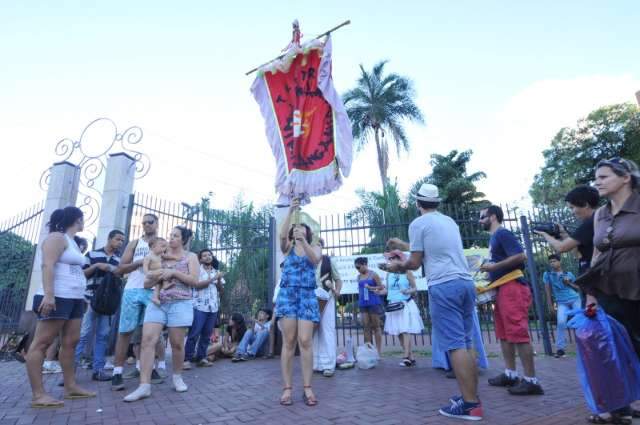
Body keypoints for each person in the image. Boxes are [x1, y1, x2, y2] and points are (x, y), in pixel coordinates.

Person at [384, 183, 482, 421]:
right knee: (467, 342)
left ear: (418, 203)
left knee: (456, 345)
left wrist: (397, 266)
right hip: (465, 283)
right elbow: (432, 251)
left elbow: (415, 262)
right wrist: (404, 252)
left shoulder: (418, 223)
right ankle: (470, 397)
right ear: (437, 202)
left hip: (444, 285)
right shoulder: (449, 222)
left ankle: (471, 406)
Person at [578, 157, 640, 424]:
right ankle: (619, 405)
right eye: (596, 177)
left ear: (625, 178)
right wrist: (591, 293)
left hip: (637, 287)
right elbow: (595, 255)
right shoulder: (600, 215)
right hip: (608, 289)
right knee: (611, 347)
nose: (597, 182)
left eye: (604, 177)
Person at [25, 207, 96, 408]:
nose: (84, 222)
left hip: (74, 298)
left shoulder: (72, 242)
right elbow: (47, 265)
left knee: (71, 342)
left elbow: (73, 269)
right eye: (82, 219)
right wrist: (49, 295)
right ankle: (38, 395)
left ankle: (70, 387)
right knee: (42, 343)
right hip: (57, 296)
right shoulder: (57, 237)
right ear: (78, 220)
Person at [124, 226, 201, 402]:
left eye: (175, 236)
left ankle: (177, 377)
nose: (171, 238)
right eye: (170, 235)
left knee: (177, 344)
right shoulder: (159, 256)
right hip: (157, 302)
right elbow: (145, 284)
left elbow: (195, 281)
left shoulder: (190, 257)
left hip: (180, 303)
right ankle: (144, 386)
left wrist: (174, 272)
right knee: (147, 340)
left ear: (184, 239)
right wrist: (157, 276)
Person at [479, 205, 544, 396]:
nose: (480, 221)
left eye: (482, 217)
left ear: (492, 216)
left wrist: (493, 267)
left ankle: (531, 380)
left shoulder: (502, 233)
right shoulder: (495, 238)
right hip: (502, 288)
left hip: (512, 287)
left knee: (517, 332)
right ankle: (511, 373)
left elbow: (520, 256)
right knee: (504, 333)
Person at [111, 214, 166, 391]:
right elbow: (120, 268)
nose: (146, 225)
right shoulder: (135, 243)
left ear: (157, 223)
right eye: (143, 223)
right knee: (125, 331)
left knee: (150, 334)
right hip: (133, 290)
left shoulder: (162, 244)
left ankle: (147, 369)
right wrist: (140, 262)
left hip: (153, 291)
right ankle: (117, 373)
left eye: (150, 222)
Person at [275, 199, 322, 407]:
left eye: (301, 226)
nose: (297, 229)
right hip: (288, 295)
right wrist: (291, 211)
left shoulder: (315, 245)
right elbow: (282, 237)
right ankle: (287, 388)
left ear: (308, 231)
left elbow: (315, 260)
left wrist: (303, 241)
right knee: (289, 341)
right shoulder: (287, 247)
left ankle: (307, 387)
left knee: (305, 340)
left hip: (307, 296)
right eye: (295, 226)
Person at [74, 229, 125, 381]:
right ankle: (70, 372)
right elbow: (81, 273)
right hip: (91, 300)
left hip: (108, 304)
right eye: (118, 239)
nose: (120, 243)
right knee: (83, 335)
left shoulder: (119, 259)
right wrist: (97, 267)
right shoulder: (92, 254)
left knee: (103, 336)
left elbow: (121, 278)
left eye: (122, 240)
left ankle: (98, 370)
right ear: (109, 239)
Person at [535, 185, 599, 275]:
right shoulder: (598, 220)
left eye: (572, 207)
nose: (572, 212)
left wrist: (545, 234)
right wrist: (564, 234)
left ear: (585, 204)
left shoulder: (590, 224)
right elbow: (578, 254)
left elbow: (561, 247)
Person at [379, 250, 423, 367]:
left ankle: (405, 355)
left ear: (399, 260)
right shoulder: (389, 274)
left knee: (404, 330)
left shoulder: (407, 272)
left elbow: (414, 288)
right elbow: (388, 290)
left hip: (405, 304)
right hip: (394, 305)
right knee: (399, 331)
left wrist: (407, 291)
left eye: (392, 259)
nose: (390, 261)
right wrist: (378, 291)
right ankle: (410, 357)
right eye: (390, 259)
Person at [184, 249, 225, 369]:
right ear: (200, 259)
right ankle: (187, 359)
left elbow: (221, 291)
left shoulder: (216, 271)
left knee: (206, 334)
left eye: (209, 255)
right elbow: (196, 286)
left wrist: (217, 279)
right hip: (199, 306)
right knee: (194, 333)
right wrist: (212, 279)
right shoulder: (196, 271)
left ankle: (201, 358)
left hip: (213, 308)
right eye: (204, 255)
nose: (208, 257)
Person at [312, 239, 343, 377]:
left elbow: (338, 279)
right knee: (312, 331)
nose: (316, 247)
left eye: (319, 245)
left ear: (322, 247)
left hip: (327, 299)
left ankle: (328, 365)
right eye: (314, 245)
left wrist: (337, 290)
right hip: (311, 300)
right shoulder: (308, 261)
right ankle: (316, 363)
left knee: (327, 329)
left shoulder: (329, 261)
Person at [542, 254, 580, 359]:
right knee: (561, 322)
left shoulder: (568, 274)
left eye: (554, 261)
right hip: (561, 302)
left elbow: (577, 288)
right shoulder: (548, 274)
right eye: (550, 262)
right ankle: (560, 349)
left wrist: (569, 283)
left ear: (560, 262)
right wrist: (550, 305)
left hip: (574, 299)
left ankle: (585, 345)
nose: (552, 263)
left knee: (579, 321)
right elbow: (547, 290)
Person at [354, 257, 384, 356]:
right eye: (356, 268)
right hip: (363, 303)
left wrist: (371, 288)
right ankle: (369, 351)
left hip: (374, 302)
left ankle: (378, 352)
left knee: (376, 327)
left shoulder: (373, 274)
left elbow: (382, 287)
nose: (357, 269)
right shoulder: (358, 277)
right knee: (366, 327)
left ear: (364, 264)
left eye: (358, 267)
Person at [144, 237, 172, 306]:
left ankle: (155, 297)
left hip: (159, 273)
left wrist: (175, 257)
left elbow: (169, 257)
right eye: (162, 246)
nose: (164, 248)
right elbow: (145, 266)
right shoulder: (149, 256)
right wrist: (147, 273)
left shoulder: (161, 255)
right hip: (152, 273)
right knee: (164, 272)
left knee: (158, 285)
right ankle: (164, 286)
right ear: (153, 247)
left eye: (165, 246)